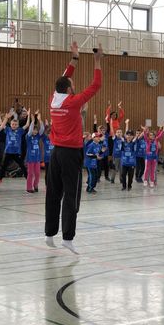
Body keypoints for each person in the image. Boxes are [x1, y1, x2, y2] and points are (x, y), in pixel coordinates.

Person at [45, 41, 103, 254]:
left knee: (53, 193)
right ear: (69, 89)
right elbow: (95, 86)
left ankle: (49, 234)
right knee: (71, 195)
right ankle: (67, 238)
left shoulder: (54, 99)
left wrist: (75, 58)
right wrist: (97, 61)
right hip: (71, 154)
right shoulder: (72, 102)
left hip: (55, 153)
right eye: (71, 83)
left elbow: (65, 75)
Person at [25, 111, 44, 193]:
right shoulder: (28, 137)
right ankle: (29, 188)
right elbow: (29, 132)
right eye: (33, 130)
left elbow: (42, 129)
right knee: (30, 174)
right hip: (30, 158)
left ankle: (35, 186)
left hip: (37, 158)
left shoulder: (37, 136)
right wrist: (32, 121)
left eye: (36, 130)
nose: (35, 132)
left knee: (37, 174)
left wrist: (40, 120)